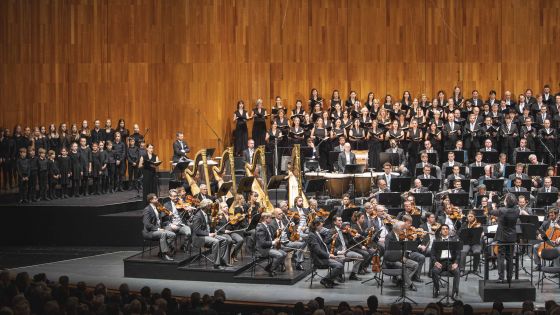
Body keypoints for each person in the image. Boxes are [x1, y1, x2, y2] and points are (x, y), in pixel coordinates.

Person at [490, 193, 520, 283]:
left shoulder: (502, 210)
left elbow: (490, 211)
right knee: (510, 257)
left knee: (500, 257)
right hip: (511, 237)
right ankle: (510, 278)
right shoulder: (517, 210)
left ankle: (501, 278)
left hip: (502, 237)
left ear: (506, 201)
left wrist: (490, 199)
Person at [191, 199, 229, 269]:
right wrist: (209, 234)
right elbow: (196, 231)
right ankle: (216, 264)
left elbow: (209, 227)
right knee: (216, 241)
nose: (211, 207)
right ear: (205, 206)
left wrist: (214, 226)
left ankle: (223, 260)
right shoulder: (198, 216)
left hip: (207, 235)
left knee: (224, 240)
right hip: (198, 238)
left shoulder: (207, 214)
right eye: (209, 205)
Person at [307, 218, 344, 288]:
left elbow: (324, 244)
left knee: (341, 260)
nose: (322, 227)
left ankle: (330, 280)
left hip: (323, 256)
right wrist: (329, 255)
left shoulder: (317, 233)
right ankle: (325, 280)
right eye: (321, 226)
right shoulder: (312, 235)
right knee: (339, 266)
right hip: (319, 259)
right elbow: (318, 250)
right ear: (316, 226)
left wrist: (332, 238)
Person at [384, 221, 419, 291]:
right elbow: (389, 251)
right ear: (397, 229)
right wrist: (400, 257)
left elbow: (404, 248)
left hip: (400, 258)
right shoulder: (389, 236)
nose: (404, 230)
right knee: (403, 266)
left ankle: (401, 280)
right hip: (391, 260)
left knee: (415, 264)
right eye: (402, 228)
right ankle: (410, 284)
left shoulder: (400, 236)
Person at [142, 193, 175, 261]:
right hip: (149, 232)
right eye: (155, 198)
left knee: (173, 234)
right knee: (163, 234)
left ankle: (162, 250)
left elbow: (160, 219)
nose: (157, 199)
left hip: (158, 229)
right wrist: (158, 229)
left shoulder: (157, 208)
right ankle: (164, 254)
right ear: (151, 200)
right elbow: (147, 224)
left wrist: (168, 215)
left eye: (157, 198)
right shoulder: (147, 209)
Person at [431, 224, 461, 298]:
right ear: (440, 231)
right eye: (443, 229)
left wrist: (456, 263)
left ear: (448, 230)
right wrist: (435, 262)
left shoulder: (454, 241)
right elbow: (432, 254)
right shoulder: (436, 241)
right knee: (434, 271)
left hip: (451, 262)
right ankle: (437, 290)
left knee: (457, 271)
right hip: (440, 263)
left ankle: (454, 292)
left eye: (446, 229)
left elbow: (458, 254)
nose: (445, 230)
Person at [256, 212, 287, 276]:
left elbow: (272, 237)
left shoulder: (269, 226)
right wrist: (273, 242)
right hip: (263, 249)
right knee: (279, 255)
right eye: (270, 218)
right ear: (265, 218)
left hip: (270, 247)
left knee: (284, 254)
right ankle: (271, 270)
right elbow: (262, 243)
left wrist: (278, 233)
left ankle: (268, 267)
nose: (271, 219)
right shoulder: (261, 228)